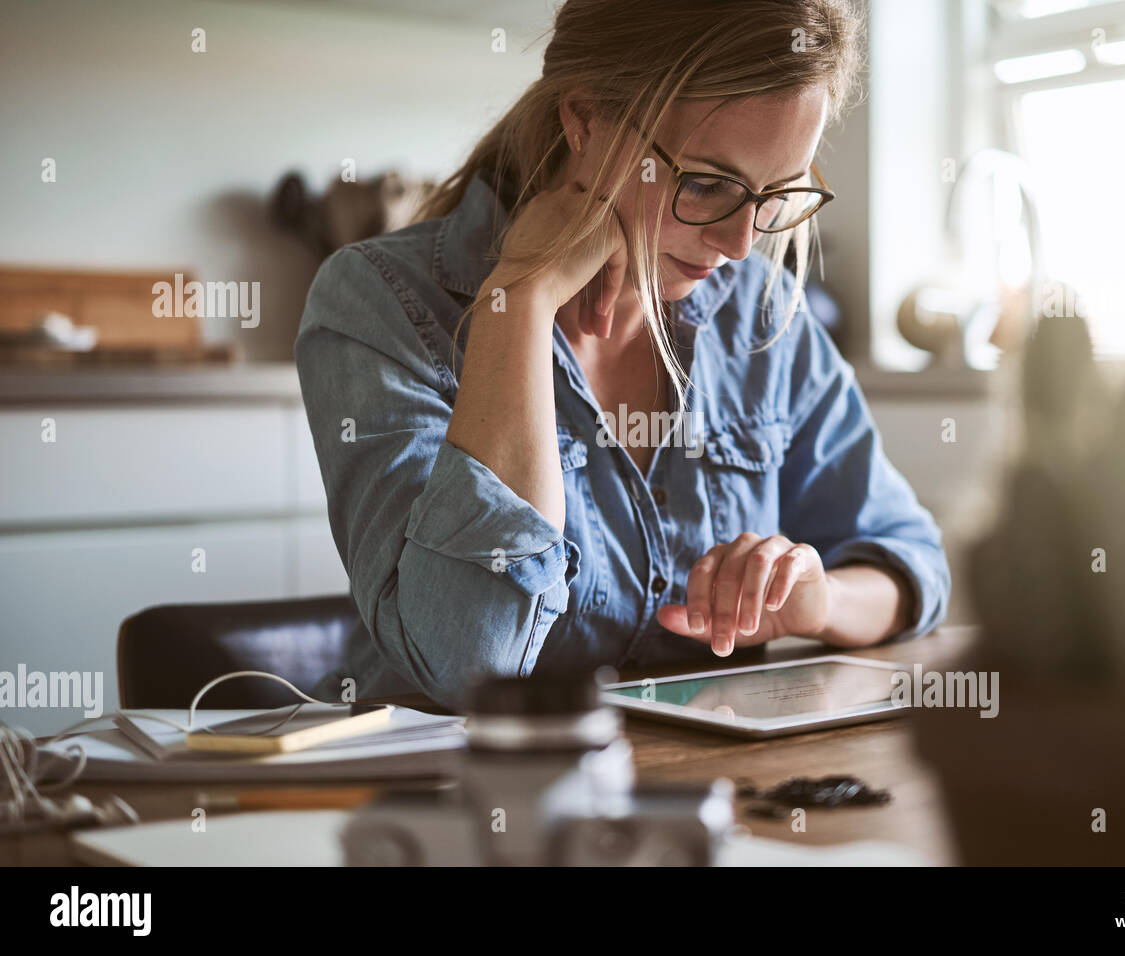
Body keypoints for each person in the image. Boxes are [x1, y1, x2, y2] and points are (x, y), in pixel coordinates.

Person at [295, 0, 950, 712]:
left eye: (775, 194)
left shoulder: (761, 312)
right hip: (451, 801)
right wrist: (522, 298)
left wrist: (819, 601)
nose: (738, 243)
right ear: (584, 118)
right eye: (704, 184)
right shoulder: (378, 299)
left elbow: (913, 562)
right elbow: (468, 665)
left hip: (694, 798)